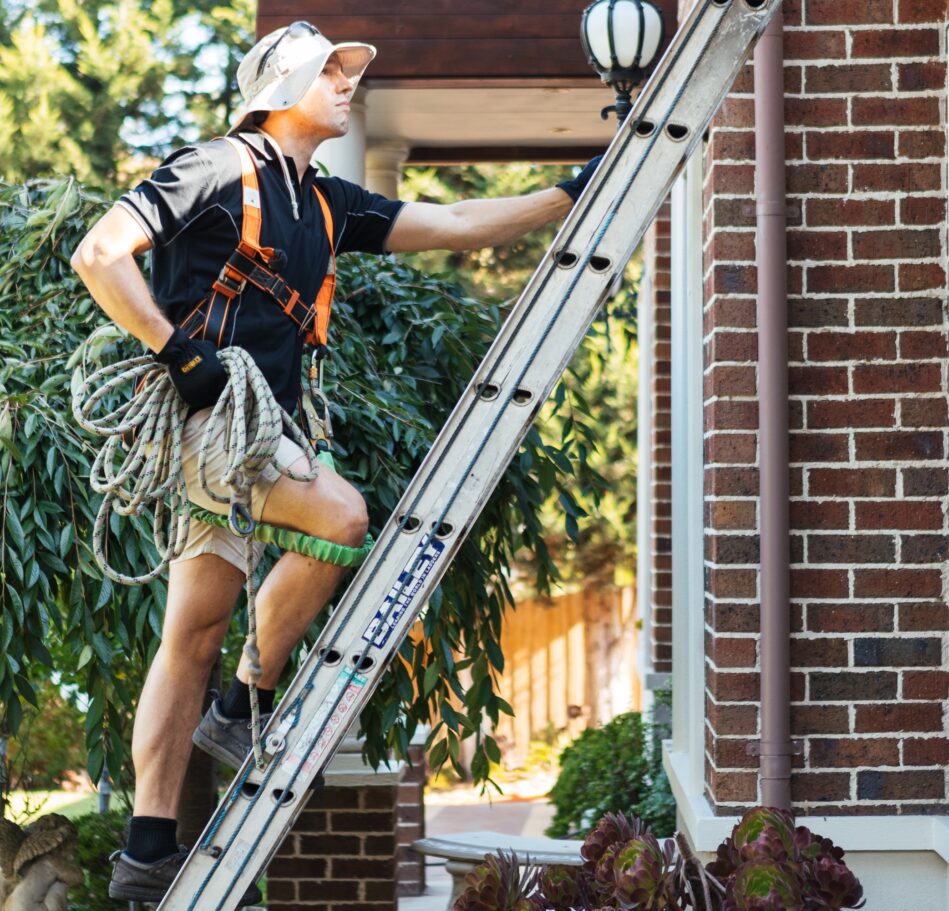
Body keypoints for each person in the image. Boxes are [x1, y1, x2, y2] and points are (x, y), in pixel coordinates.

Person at [71, 20, 601, 904]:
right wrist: (177, 353)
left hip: (256, 429)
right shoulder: (213, 167)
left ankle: (144, 851)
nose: (348, 84)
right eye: (331, 74)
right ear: (279, 88)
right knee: (343, 517)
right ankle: (244, 705)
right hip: (216, 422)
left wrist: (563, 194)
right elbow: (98, 253)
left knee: (191, 633)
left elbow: (459, 220)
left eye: (351, 73)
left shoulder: (324, 201)